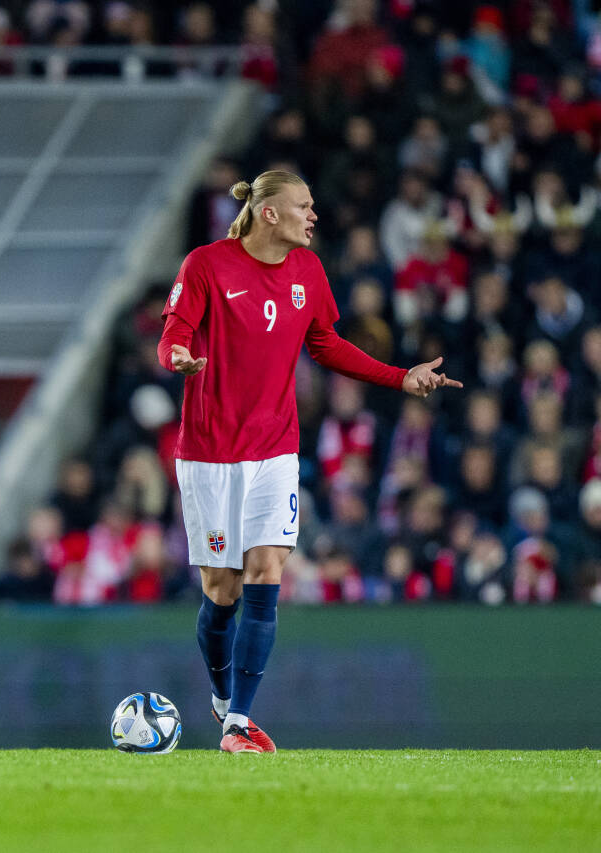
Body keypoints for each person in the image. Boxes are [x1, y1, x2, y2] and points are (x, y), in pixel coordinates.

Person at [157, 170, 462, 754]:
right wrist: (178, 356)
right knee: (221, 591)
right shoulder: (207, 265)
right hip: (210, 451)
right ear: (269, 213)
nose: (314, 214)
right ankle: (223, 697)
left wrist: (401, 377)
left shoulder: (308, 272)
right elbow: (175, 331)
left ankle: (237, 723)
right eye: (304, 205)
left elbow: (324, 343)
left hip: (275, 448)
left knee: (266, 570)